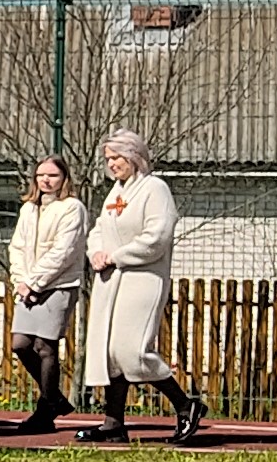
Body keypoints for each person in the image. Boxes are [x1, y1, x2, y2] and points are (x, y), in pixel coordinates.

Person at [77, 129, 205, 445]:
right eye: (108, 159)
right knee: (109, 352)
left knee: (132, 351)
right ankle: (113, 423)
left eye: (117, 157)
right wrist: (95, 252)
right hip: (110, 279)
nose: (112, 164)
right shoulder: (115, 194)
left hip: (142, 279)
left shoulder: (154, 189)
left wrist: (117, 256)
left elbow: (157, 237)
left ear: (134, 155)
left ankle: (185, 405)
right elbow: (98, 230)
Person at [3, 156, 88, 433]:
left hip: (58, 285)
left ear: (64, 178)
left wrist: (37, 283)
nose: (46, 180)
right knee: (20, 344)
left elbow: (64, 252)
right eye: (41, 175)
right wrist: (20, 281)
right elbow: (17, 246)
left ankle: (45, 410)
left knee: (44, 346)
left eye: (52, 175)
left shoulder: (72, 208)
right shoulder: (29, 209)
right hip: (28, 286)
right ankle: (54, 397)